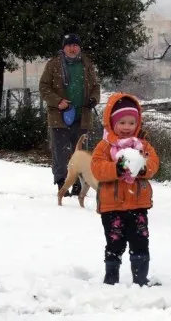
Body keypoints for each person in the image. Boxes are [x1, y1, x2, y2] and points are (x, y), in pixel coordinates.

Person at [90, 93, 160, 286]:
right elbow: (97, 168)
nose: (127, 127)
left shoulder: (142, 145)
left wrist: (142, 168)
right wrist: (117, 169)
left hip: (138, 205)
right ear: (112, 123)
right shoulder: (104, 147)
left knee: (140, 242)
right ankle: (111, 278)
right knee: (115, 243)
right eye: (122, 122)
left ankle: (140, 278)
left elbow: (154, 163)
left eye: (131, 123)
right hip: (112, 206)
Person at [39, 33, 101, 198]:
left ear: (79, 47)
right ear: (64, 48)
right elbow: (44, 87)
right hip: (59, 117)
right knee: (60, 152)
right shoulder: (53, 64)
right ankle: (62, 183)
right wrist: (58, 101)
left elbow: (95, 86)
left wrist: (94, 99)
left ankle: (78, 184)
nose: (72, 49)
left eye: (75, 45)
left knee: (80, 153)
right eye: (69, 45)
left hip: (82, 116)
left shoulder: (87, 63)